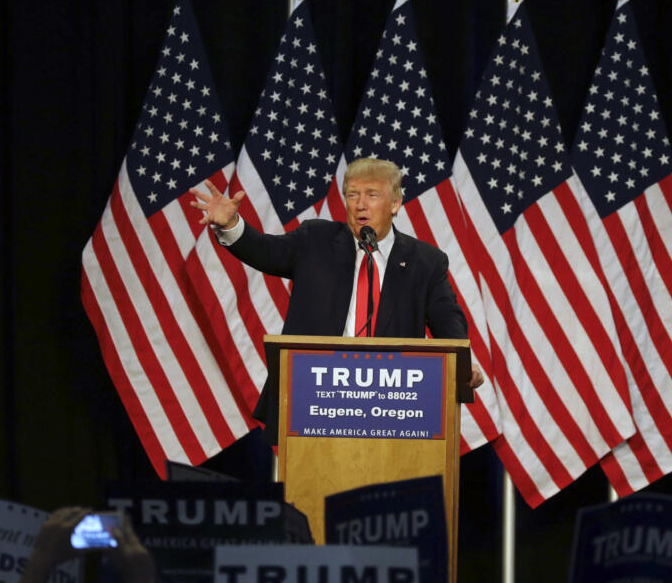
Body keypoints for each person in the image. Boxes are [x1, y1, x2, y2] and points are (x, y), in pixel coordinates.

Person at [191, 158, 484, 440]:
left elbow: (448, 321)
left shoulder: (425, 261)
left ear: (395, 203)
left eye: (372, 195)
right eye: (352, 194)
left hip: (393, 410)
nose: (360, 204)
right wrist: (231, 225)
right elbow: (266, 251)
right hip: (317, 400)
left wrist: (463, 360)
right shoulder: (316, 239)